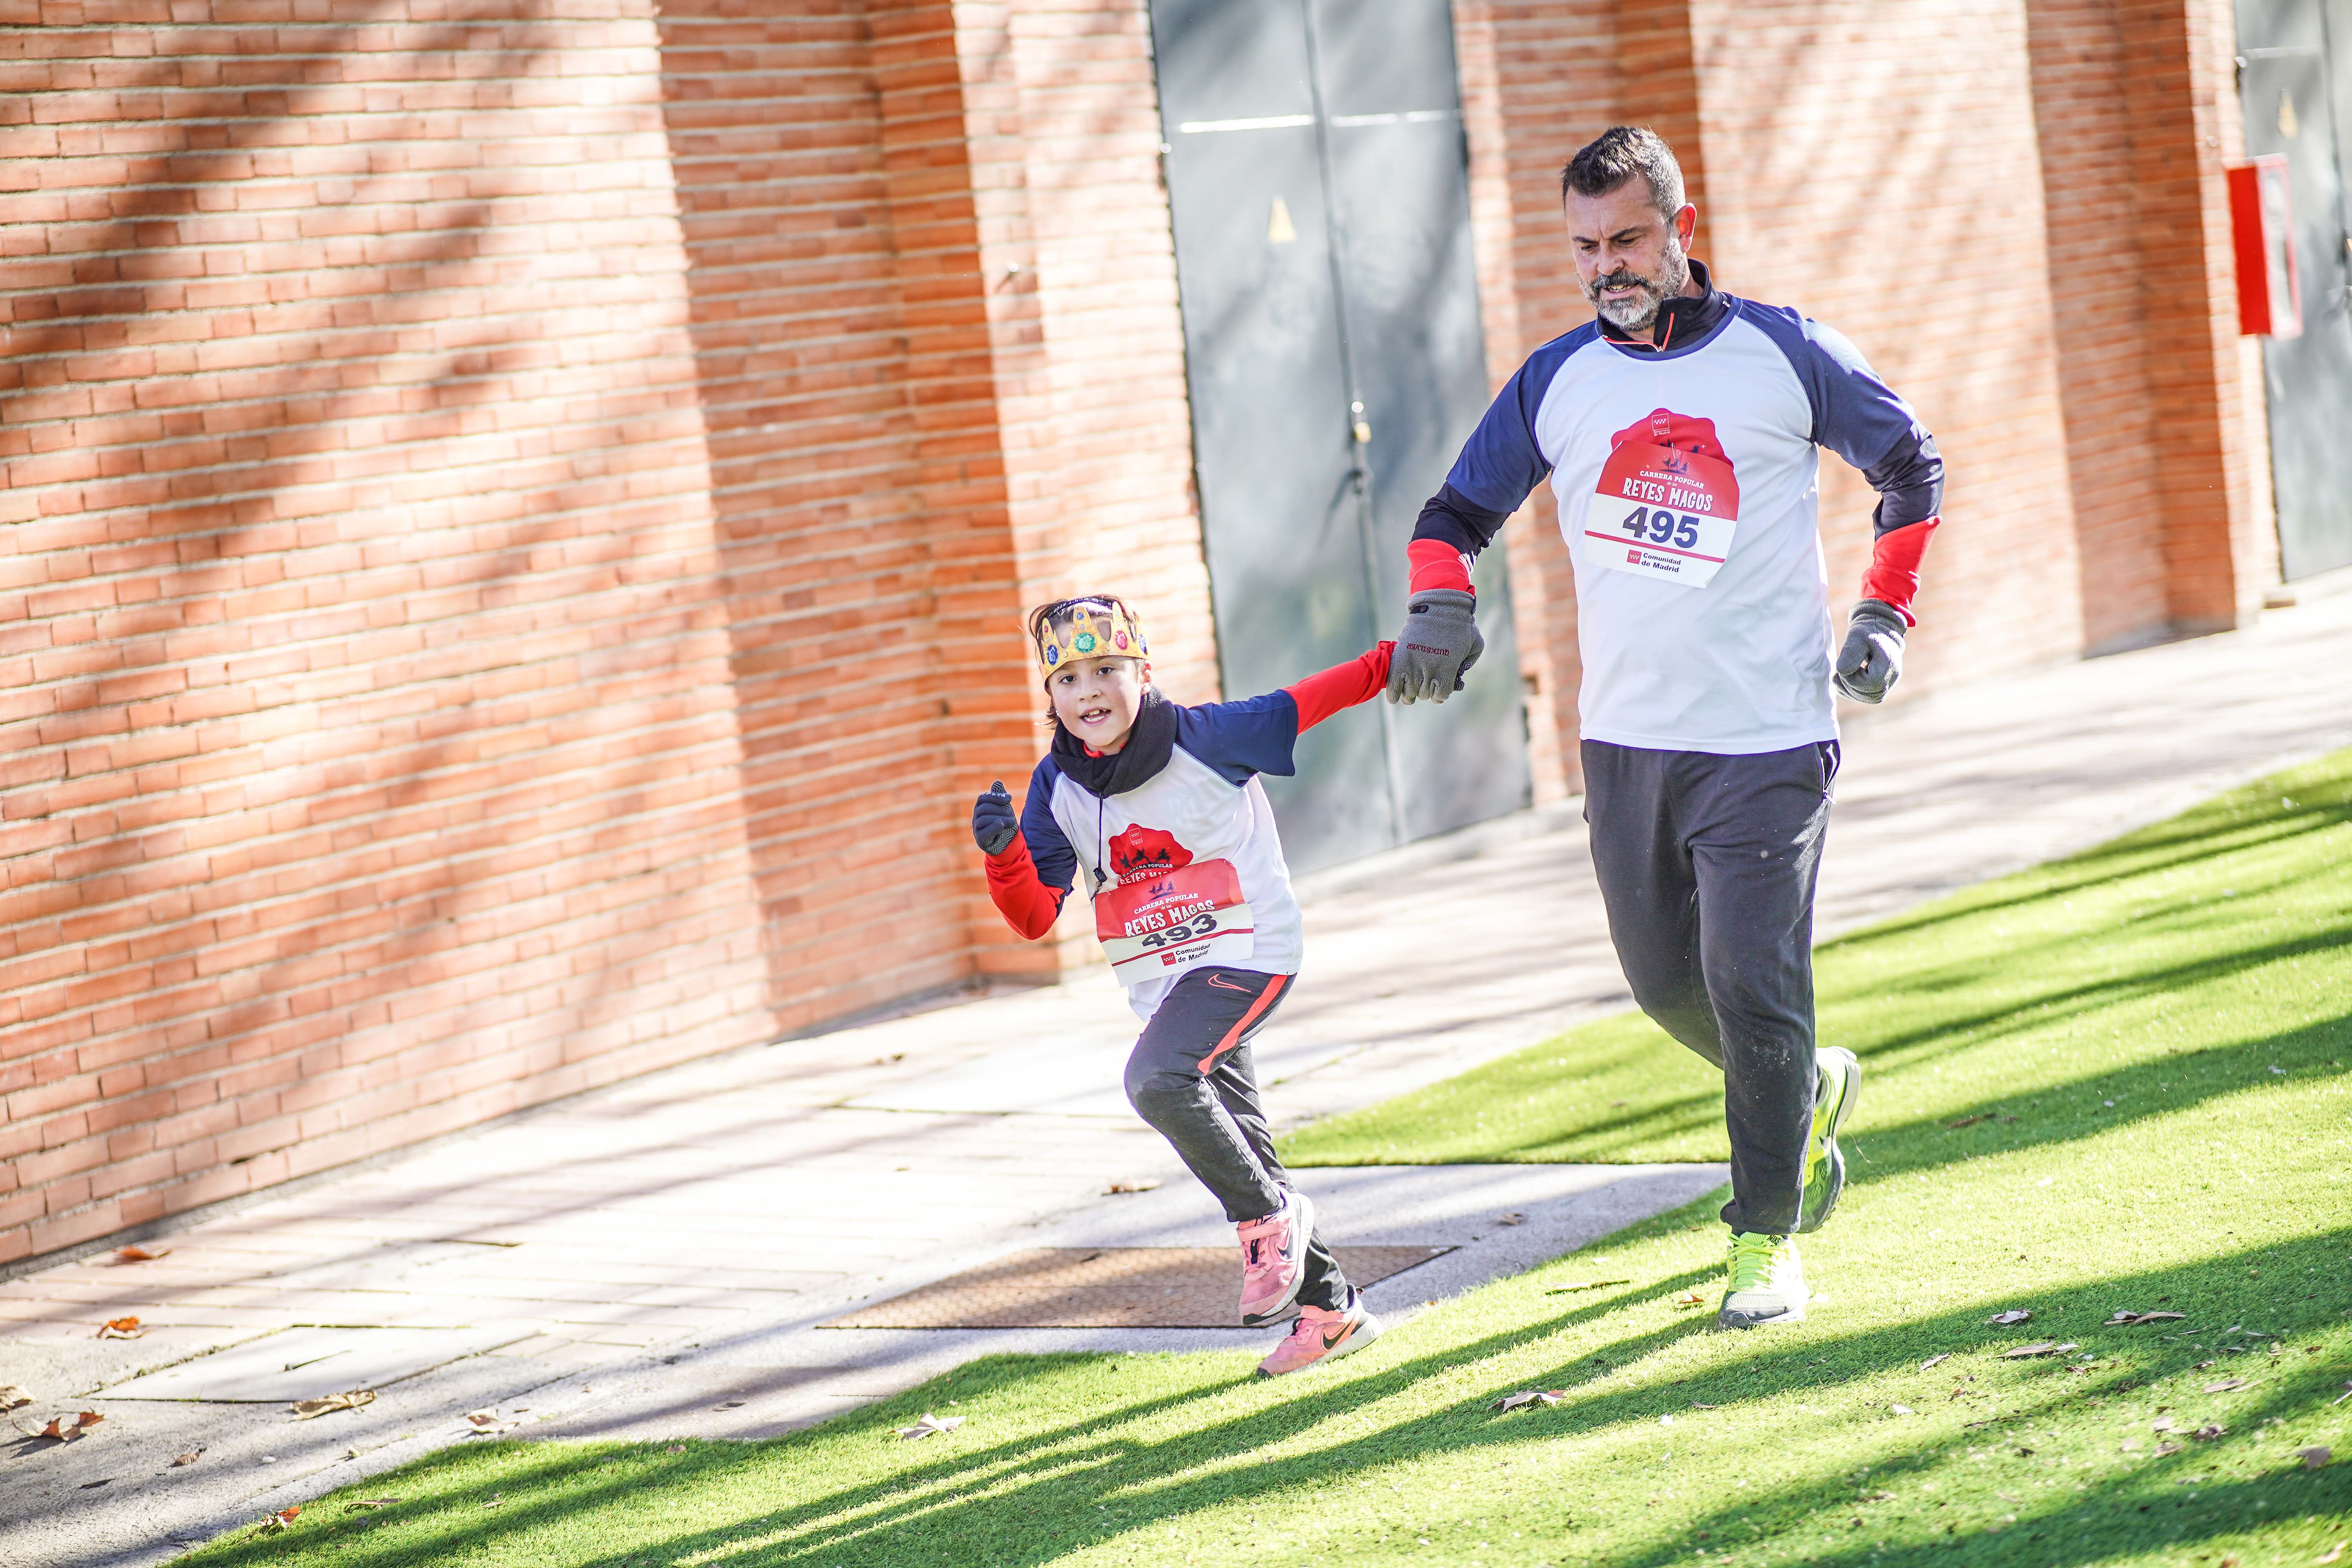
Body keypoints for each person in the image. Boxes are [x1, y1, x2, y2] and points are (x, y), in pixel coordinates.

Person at [1385, 126, 1944, 1330]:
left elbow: (1912, 467)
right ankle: (1805, 1083)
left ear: (1681, 230)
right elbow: (1454, 513)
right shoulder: (1556, 381)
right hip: (1625, 740)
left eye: (1629, 239)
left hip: (1768, 735)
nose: (1608, 267)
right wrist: (1439, 604)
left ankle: (1765, 1242)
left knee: (1751, 983)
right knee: (1663, 987)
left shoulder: (1785, 353)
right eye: (1586, 247)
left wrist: (1885, 612)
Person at [971, 595, 1395, 1376]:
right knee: (1241, 1141)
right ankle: (1332, 1310)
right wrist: (1005, 857)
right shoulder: (1056, 785)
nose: (1089, 691)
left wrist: (1412, 652)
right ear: (1051, 694)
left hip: (1251, 951)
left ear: (1142, 671)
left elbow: (1318, 696)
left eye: (1107, 668)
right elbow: (1033, 917)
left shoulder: (1207, 737)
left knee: (1157, 1079)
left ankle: (1266, 1223)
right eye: (1069, 678)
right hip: (1166, 982)